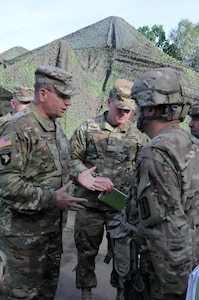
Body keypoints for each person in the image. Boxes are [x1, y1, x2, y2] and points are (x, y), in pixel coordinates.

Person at [0, 65, 87, 300]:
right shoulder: (17, 127)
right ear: (43, 94)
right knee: (20, 295)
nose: (69, 102)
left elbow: (60, 169)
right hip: (22, 240)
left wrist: (80, 175)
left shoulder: (55, 127)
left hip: (50, 232)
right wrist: (52, 198)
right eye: (64, 96)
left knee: (46, 292)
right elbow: (6, 184)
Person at [123, 67, 199, 300]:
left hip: (163, 281)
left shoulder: (156, 154)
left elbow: (168, 236)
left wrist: (175, 292)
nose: (135, 111)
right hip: (191, 268)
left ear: (151, 107)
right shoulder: (190, 143)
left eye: (138, 104)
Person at [69, 79, 148, 300]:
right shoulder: (88, 128)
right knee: (86, 252)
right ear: (108, 102)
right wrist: (86, 177)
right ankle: (86, 293)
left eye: (128, 110)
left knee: (123, 254)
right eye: (119, 108)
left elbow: (144, 169)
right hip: (89, 207)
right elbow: (71, 160)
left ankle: (121, 293)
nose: (124, 113)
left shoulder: (138, 136)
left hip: (121, 208)